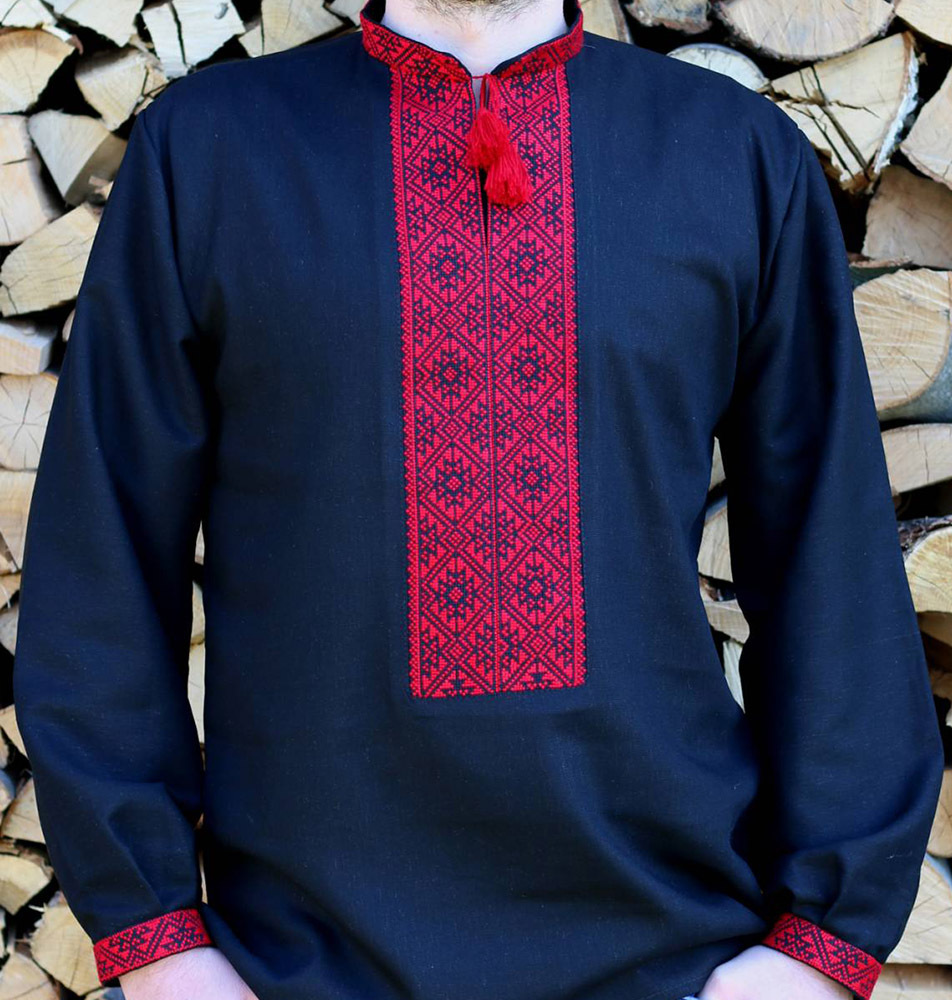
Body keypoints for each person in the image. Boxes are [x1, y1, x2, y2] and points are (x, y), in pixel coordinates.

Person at [10, 0, 945, 997]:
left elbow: (827, 553)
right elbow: (102, 549)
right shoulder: (206, 151)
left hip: (674, 952)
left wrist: (814, 948)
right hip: (302, 962)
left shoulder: (733, 153)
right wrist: (158, 941)